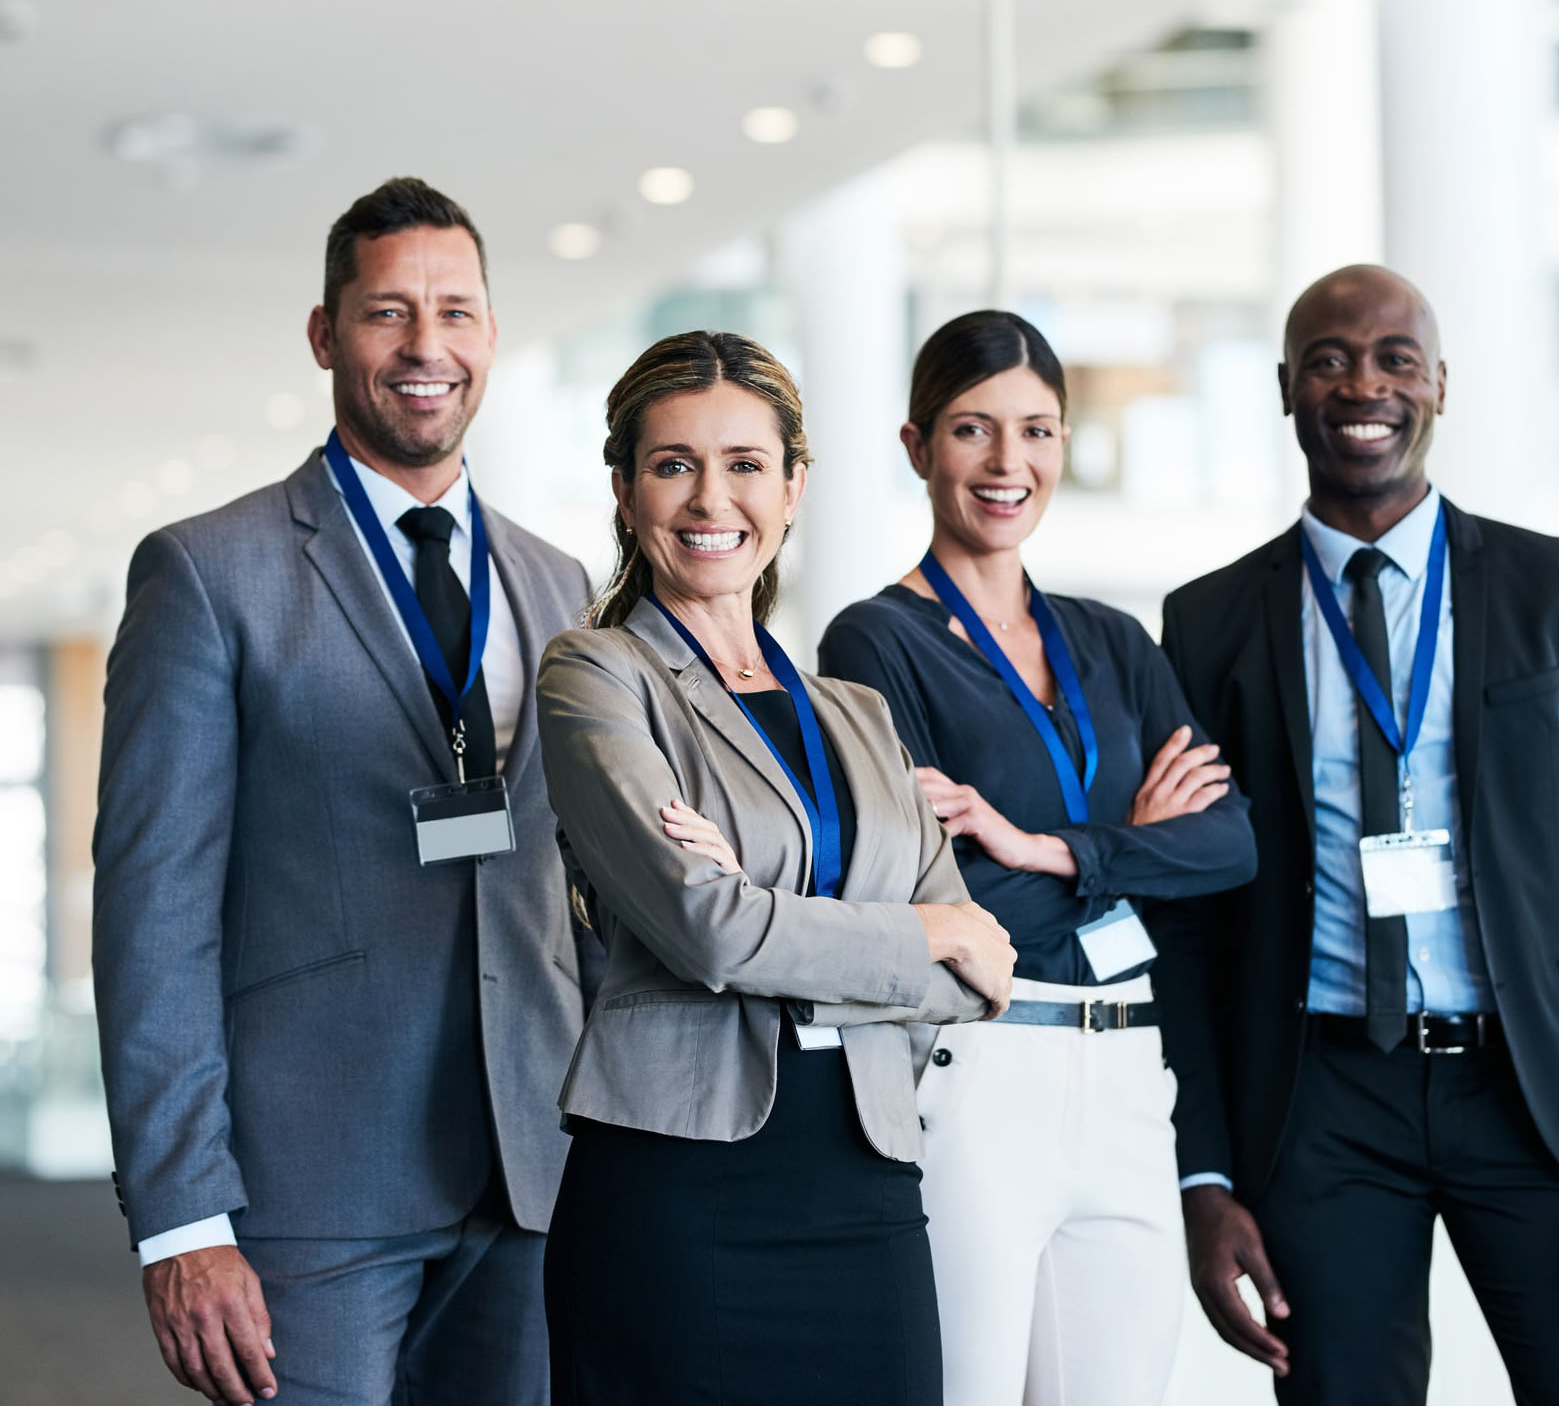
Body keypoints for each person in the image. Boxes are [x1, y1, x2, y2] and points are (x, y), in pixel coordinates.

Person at [1153, 264, 1559, 1405]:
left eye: (1394, 357)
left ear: (1438, 384)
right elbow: (1191, 924)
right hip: (1319, 1106)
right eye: (1329, 358)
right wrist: (1203, 1171)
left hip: (1539, 1095)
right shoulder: (1204, 623)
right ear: (1284, 389)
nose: (1364, 382)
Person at [91, 177, 593, 1406]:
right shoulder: (210, 574)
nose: (427, 348)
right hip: (307, 1192)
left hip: (532, 1178)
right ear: (326, 335)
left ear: (491, 333)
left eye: (457, 313)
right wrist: (180, 1220)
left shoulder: (559, 581)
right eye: (388, 314)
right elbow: (152, 912)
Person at [534, 329, 1015, 1406]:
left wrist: (770, 914)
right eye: (673, 464)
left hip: (866, 1178)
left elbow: (975, 971)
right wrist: (915, 932)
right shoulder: (598, 677)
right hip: (680, 1188)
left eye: (745, 464)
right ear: (624, 489)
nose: (711, 500)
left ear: (794, 486)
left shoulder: (856, 711)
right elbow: (705, 929)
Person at [818, 309, 1258, 1405]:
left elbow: (1230, 845)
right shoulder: (873, 640)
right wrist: (1130, 850)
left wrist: (1041, 846)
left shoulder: (1110, 638)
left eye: (1036, 430)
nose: (1007, 464)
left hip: (1122, 1072)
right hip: (985, 1065)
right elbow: (945, 895)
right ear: (917, 446)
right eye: (973, 430)